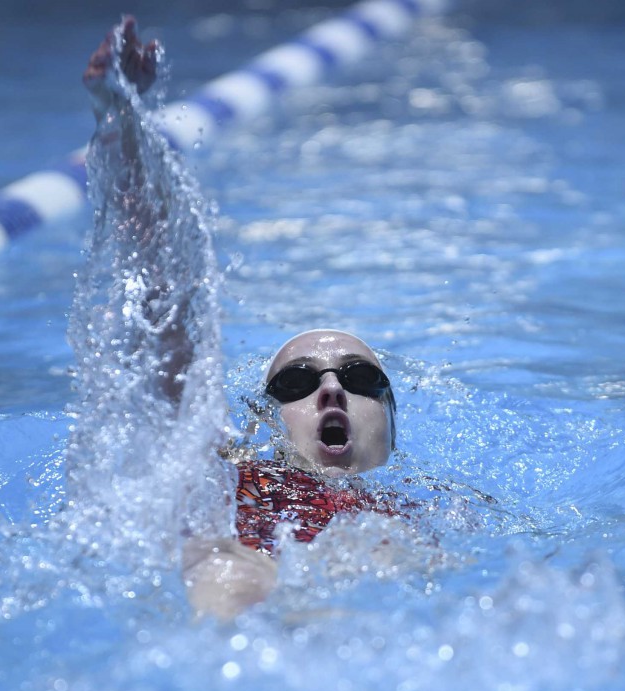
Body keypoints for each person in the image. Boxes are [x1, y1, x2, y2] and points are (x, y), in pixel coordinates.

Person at [82, 18, 401, 619]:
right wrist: (121, 122)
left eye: (358, 378)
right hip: (238, 625)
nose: (330, 389)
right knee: (225, 563)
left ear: (389, 417)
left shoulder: (436, 514)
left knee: (388, 552)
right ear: (268, 424)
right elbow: (166, 317)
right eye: (296, 383)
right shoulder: (232, 480)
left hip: (367, 632)